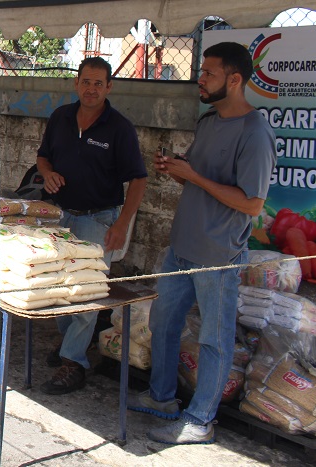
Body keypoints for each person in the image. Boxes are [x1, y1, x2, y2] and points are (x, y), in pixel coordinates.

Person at [127, 42, 277, 444]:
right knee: (163, 323)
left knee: (214, 338)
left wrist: (192, 176)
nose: (200, 79)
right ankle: (161, 398)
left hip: (219, 255)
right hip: (182, 246)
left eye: (208, 73)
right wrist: (176, 169)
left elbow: (252, 203)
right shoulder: (209, 122)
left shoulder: (255, 133)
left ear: (234, 79)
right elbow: (197, 177)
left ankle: (201, 419)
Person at [36, 56, 147, 395]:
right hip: (61, 217)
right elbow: (43, 156)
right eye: (86, 81)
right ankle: (72, 344)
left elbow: (139, 180)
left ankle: (74, 363)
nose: (92, 88)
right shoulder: (61, 118)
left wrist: (122, 225)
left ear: (109, 87)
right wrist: (47, 173)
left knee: (86, 293)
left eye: (99, 83)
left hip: (100, 219)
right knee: (59, 287)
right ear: (76, 84)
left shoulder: (119, 128)